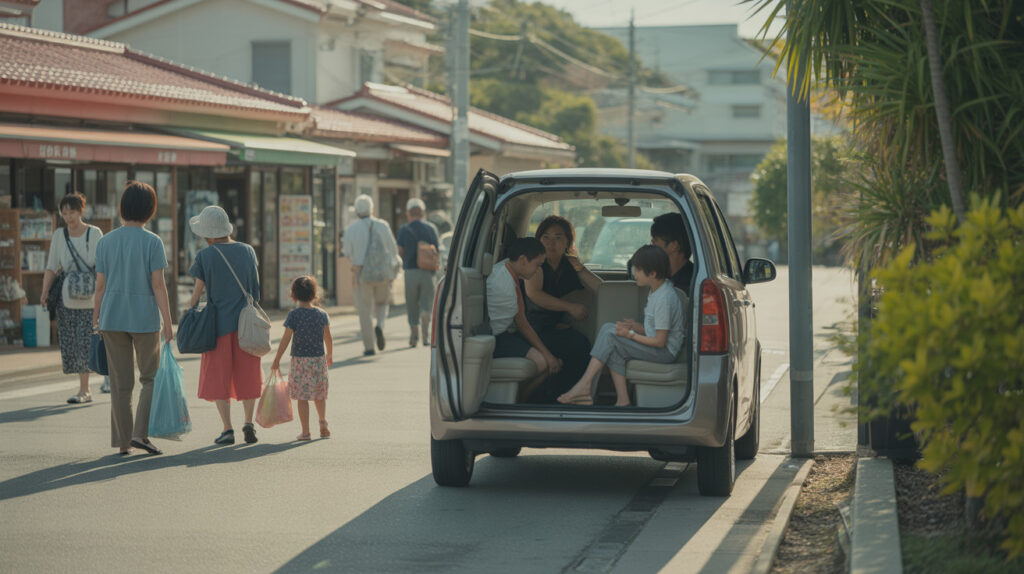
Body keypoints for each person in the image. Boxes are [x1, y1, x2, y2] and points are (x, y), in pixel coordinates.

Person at [93, 181, 173, 455]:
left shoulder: (105, 241)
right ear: (150, 209)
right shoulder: (153, 242)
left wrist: (96, 318)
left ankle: (123, 443)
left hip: (112, 316)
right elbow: (158, 286)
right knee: (150, 378)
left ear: (123, 207)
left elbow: (100, 286)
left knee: (120, 383)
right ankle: (141, 434)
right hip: (144, 319)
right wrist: (168, 321)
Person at [558, 245, 684, 407]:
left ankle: (584, 385)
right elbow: (658, 330)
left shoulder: (664, 299)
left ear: (652, 274)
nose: (634, 274)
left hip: (664, 353)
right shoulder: (656, 290)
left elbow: (660, 341)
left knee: (610, 335)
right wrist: (637, 327)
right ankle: (622, 400)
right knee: (608, 330)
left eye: (638, 270)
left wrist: (630, 335)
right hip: (659, 347)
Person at [187, 205, 263, 445]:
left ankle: (227, 429)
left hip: (217, 327)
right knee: (249, 374)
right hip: (245, 326)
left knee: (219, 377)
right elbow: (255, 290)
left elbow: (197, 293)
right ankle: (249, 423)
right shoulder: (248, 251)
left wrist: (188, 312)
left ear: (208, 234)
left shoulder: (205, 256)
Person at [522, 215, 602, 402]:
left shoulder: (569, 265)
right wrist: (570, 307)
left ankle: (568, 397)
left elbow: (601, 289)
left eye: (558, 238)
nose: (551, 243)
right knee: (575, 346)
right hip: (532, 329)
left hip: (554, 328)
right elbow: (534, 294)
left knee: (582, 345)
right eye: (546, 237)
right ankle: (550, 399)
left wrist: (580, 268)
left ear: (568, 242)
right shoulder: (536, 264)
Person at [40, 192, 105, 404]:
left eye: (72, 212)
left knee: (85, 342)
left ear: (81, 211)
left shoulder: (95, 233)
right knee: (70, 343)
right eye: (64, 213)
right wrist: (44, 292)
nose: (68, 217)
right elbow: (52, 266)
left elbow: (104, 267)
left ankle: (85, 390)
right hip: (66, 298)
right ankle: (86, 386)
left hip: (91, 299)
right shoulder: (59, 235)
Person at [487, 237, 561, 396]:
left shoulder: (505, 268)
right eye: (537, 265)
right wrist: (548, 356)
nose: (538, 270)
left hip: (504, 334)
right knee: (543, 363)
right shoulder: (504, 284)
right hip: (497, 338)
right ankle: (519, 400)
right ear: (522, 260)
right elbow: (521, 322)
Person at [270, 276, 333, 441]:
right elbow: (328, 337)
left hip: (300, 362)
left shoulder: (294, 315)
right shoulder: (322, 314)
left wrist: (277, 359)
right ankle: (323, 422)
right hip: (318, 360)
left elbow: (285, 339)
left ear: (293, 295)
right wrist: (330, 354)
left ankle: (305, 432)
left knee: (302, 397)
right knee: (319, 395)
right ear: (315, 294)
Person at [343, 194, 399, 356]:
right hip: (383, 273)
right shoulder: (383, 225)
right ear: (372, 208)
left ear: (357, 211)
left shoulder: (351, 229)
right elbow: (393, 251)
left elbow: (347, 254)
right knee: (382, 304)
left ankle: (369, 347)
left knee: (364, 311)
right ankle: (380, 325)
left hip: (361, 275)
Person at [395, 197, 439, 347]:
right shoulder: (431, 228)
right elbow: (437, 250)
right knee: (427, 304)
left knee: (412, 304)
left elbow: (400, 251)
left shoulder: (404, 229)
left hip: (411, 271)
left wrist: (407, 258)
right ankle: (426, 337)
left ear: (408, 213)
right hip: (428, 272)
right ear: (422, 212)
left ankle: (414, 333)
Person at [650, 212, 694, 293]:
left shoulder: (693, 282)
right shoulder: (657, 275)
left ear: (674, 246)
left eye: (655, 240)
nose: (651, 243)